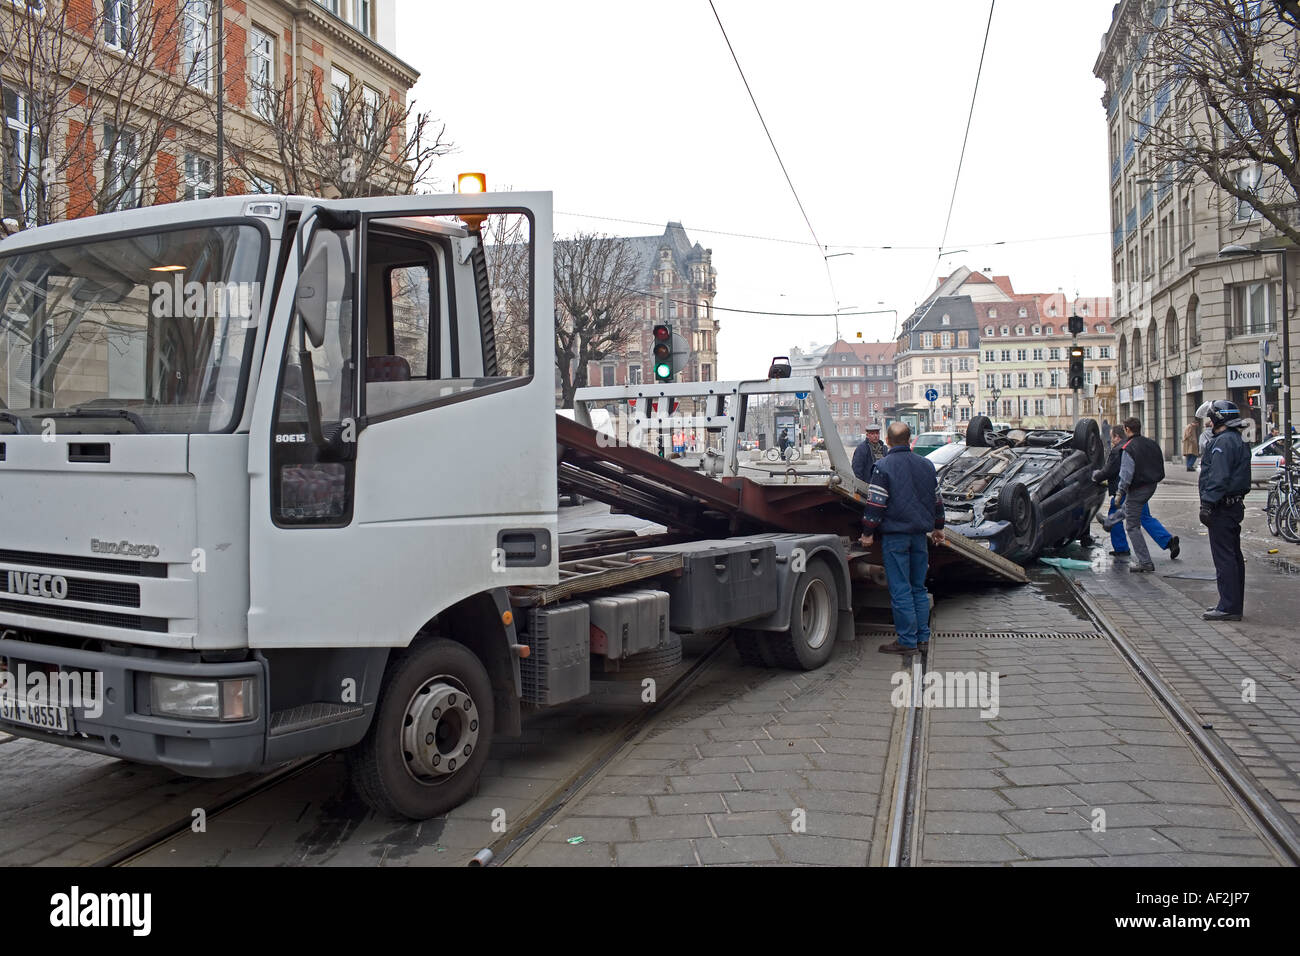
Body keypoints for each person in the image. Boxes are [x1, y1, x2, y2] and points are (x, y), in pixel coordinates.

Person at [858, 422, 945, 655]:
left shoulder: (883, 466)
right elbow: (937, 500)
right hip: (919, 536)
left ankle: (907, 641)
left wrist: (867, 533)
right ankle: (923, 638)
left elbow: (876, 504)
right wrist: (939, 528)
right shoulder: (927, 465)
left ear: (887, 441)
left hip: (896, 537)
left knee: (900, 589)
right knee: (918, 586)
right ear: (909, 440)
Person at [1199, 400, 1252, 621]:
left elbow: (1218, 477)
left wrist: (1208, 504)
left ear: (1220, 418)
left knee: (1225, 558)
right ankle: (1232, 604)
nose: (1209, 422)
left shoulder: (1223, 442)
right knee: (1233, 556)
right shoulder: (1238, 439)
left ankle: (1228, 607)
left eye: (1211, 418)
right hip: (1233, 505)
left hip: (1222, 507)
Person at [1093, 429, 1179, 559]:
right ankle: (1168, 541)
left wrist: (1095, 476)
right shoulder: (1136, 445)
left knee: (1115, 512)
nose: (1111, 442)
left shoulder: (1120, 450)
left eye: (1112, 438)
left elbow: (1109, 471)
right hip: (1139, 488)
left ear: (1117, 437)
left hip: (1123, 490)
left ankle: (1121, 547)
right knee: (1144, 517)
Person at [1115, 417, 1166, 573]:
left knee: (1132, 525)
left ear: (1127, 429)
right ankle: (1109, 521)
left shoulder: (1128, 447)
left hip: (1138, 488)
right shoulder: (1151, 443)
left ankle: (1145, 562)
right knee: (1128, 508)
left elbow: (1126, 473)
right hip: (1151, 485)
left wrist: (1120, 492)